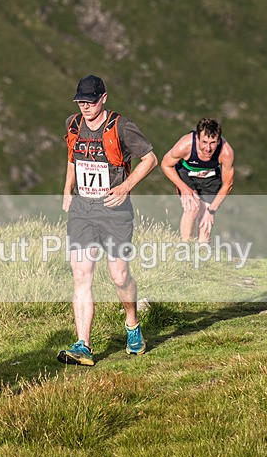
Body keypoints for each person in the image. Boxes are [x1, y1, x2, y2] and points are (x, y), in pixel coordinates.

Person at [57, 75, 158, 366]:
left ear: (104, 98)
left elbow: (149, 159)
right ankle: (83, 345)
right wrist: (67, 190)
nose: (85, 107)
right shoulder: (73, 124)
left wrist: (126, 187)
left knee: (119, 276)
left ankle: (132, 325)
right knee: (81, 274)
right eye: (80, 102)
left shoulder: (121, 126)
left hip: (115, 211)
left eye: (90, 101)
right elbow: (72, 158)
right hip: (82, 209)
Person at [160, 118, 235, 242]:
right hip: (187, 173)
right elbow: (166, 165)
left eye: (213, 142)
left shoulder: (226, 152)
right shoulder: (185, 145)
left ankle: (202, 252)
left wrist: (211, 211)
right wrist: (183, 188)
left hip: (210, 177)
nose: (208, 148)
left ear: (218, 141)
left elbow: (228, 184)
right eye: (204, 142)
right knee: (192, 207)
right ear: (197, 138)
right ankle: (186, 248)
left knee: (205, 219)